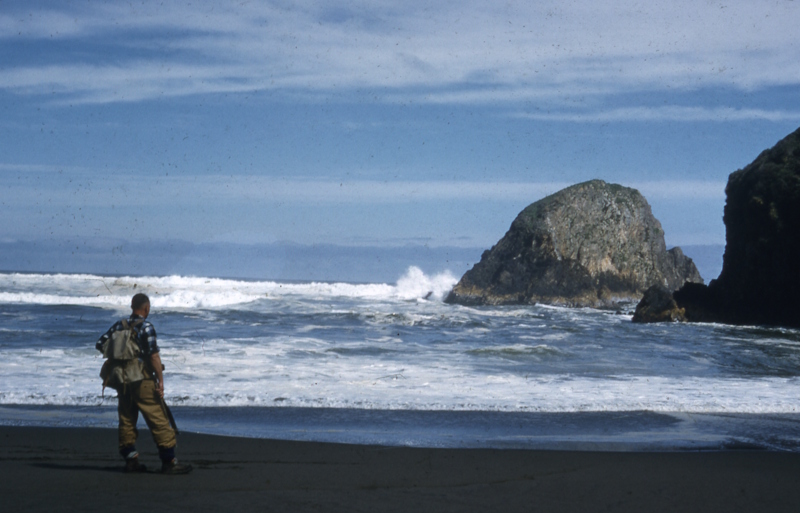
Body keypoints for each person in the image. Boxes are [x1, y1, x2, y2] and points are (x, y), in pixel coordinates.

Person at [97, 293, 192, 474]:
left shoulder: (119, 325)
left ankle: (131, 461)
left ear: (132, 306)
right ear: (146, 308)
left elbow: (100, 344)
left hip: (122, 381)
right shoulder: (146, 327)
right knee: (158, 419)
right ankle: (169, 462)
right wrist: (161, 382)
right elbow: (154, 356)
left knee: (126, 419)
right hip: (142, 380)